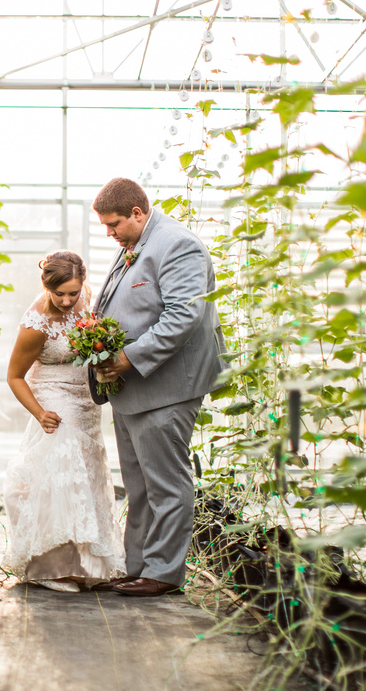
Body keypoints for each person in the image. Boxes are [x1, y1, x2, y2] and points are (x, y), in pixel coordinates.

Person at [89, 178, 227, 597]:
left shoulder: (178, 244)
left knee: (165, 482)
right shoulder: (133, 246)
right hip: (131, 389)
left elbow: (182, 318)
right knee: (139, 485)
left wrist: (126, 358)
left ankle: (163, 573)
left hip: (166, 386)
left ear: (137, 212)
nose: (108, 234)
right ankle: (138, 567)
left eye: (113, 225)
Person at [2, 250, 127, 592]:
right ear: (46, 286)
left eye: (74, 292)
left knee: (84, 476)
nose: (69, 300)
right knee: (60, 475)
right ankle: (50, 566)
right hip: (54, 399)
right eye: (61, 294)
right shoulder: (35, 324)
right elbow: (14, 377)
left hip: (86, 399)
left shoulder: (84, 298)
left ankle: (84, 564)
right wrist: (39, 412)